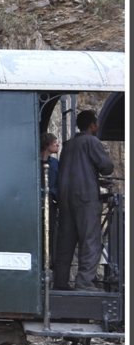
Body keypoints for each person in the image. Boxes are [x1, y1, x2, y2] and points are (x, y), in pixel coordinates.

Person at [53, 111, 114, 291]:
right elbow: (107, 167)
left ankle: (60, 283)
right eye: (97, 123)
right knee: (90, 240)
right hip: (85, 197)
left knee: (65, 242)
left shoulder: (68, 145)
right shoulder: (91, 141)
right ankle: (84, 283)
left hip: (66, 198)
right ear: (92, 125)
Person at [40, 133, 60, 267]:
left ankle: (46, 264)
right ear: (47, 145)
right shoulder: (34, 162)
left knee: (49, 233)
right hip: (37, 203)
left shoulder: (55, 163)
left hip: (50, 203)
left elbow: (59, 184)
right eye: (54, 142)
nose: (57, 144)